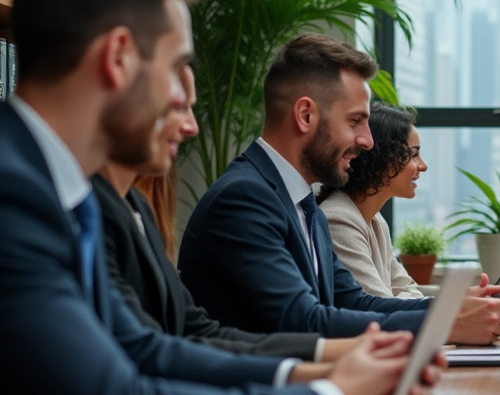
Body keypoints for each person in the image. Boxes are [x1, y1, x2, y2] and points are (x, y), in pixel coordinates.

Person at [0, 0, 440, 395]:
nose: (190, 109)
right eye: (179, 68)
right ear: (119, 57)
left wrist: (326, 371)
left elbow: (150, 347)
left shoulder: (61, 191)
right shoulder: (15, 194)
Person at [178, 35, 500, 344]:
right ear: (306, 115)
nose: (368, 141)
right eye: (355, 121)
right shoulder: (244, 198)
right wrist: (447, 323)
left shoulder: (303, 203)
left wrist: (450, 306)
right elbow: (304, 321)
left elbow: (355, 302)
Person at [97, 66, 353, 360]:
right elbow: (151, 354)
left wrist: (330, 359)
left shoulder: (136, 207)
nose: (192, 127)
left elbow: (197, 331)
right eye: (179, 106)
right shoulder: (243, 196)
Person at [319, 101, 426, 299]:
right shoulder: (337, 220)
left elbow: (406, 287)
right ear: (383, 156)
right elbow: (377, 305)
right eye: (414, 155)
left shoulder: (376, 221)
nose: (423, 166)